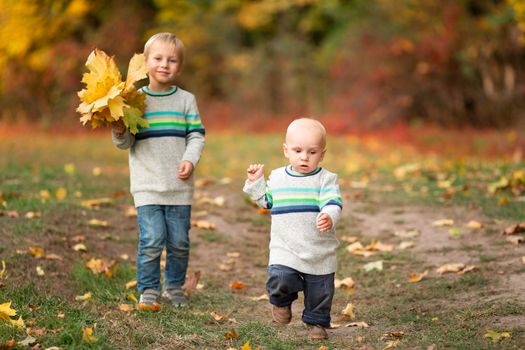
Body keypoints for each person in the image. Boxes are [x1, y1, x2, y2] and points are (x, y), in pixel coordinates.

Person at [111, 32, 205, 309]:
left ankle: (173, 287)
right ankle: (149, 289)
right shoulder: (134, 100)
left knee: (178, 243)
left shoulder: (186, 100)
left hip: (179, 187)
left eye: (172, 60)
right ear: (145, 62)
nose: (165, 65)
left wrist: (190, 159)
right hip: (147, 185)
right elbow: (127, 142)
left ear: (180, 66)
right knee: (152, 240)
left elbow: (196, 135)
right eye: (158, 58)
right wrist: (119, 131)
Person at [243, 118, 343, 340]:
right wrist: (256, 182)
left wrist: (328, 215)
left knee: (321, 292)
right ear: (286, 150)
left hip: (319, 249)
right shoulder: (278, 177)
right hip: (285, 247)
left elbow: (333, 202)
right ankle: (281, 302)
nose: (304, 157)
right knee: (280, 277)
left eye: (312, 152)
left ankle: (316, 323)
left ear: (322, 154)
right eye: (298, 150)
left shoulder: (326, 179)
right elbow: (267, 202)